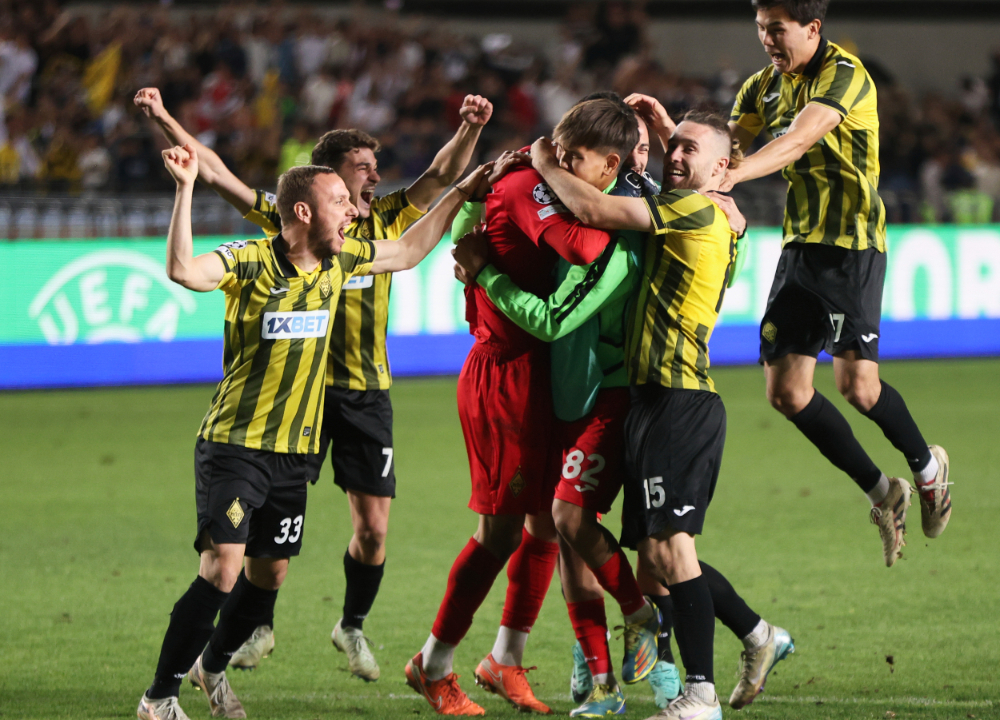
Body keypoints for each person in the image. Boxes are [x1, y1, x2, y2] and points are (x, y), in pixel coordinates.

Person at [134, 87, 493, 678]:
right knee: (253, 557)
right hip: (290, 402)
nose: (374, 178)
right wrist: (169, 127)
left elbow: (431, 197)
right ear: (319, 189)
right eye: (362, 170)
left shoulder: (375, 228)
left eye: (376, 169)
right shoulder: (289, 225)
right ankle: (251, 629)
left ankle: (348, 625)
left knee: (370, 531)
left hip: (363, 389)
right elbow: (216, 173)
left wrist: (469, 137)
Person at [526, 108, 795, 720]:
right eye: (671, 146)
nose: (674, 155)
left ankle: (699, 695)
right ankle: (757, 635)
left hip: (681, 400)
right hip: (651, 400)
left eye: (687, 150)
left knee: (672, 550)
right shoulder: (710, 212)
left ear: (723, 169)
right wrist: (676, 132)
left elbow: (594, 210)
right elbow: (674, 184)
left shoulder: (698, 210)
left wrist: (544, 161)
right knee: (655, 562)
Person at [403, 98, 641, 717]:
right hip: (503, 376)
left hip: (541, 376)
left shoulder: (538, 181)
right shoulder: (528, 184)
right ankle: (433, 664)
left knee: (542, 526)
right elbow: (586, 245)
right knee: (501, 531)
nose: (558, 164)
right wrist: (587, 194)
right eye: (556, 150)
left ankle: (505, 658)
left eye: (572, 158)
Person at [722, 0, 951, 565]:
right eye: (760, 29)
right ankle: (883, 490)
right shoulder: (761, 87)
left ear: (812, 28)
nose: (767, 40)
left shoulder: (844, 74)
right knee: (786, 393)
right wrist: (675, 138)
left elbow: (798, 140)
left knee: (858, 387)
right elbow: (724, 143)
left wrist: (734, 175)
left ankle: (928, 470)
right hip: (800, 246)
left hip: (852, 245)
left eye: (776, 29)